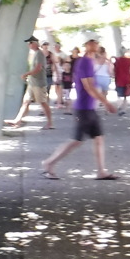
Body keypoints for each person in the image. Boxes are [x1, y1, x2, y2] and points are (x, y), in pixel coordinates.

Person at [41, 37, 117, 179]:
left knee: (98, 138)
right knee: (76, 140)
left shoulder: (89, 62)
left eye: (96, 42)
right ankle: (49, 163)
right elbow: (88, 87)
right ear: (86, 46)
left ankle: (101, 171)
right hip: (83, 108)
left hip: (90, 108)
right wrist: (106, 102)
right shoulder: (85, 63)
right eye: (91, 42)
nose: (95, 44)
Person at [6, 36, 54, 130]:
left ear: (36, 43)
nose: (29, 45)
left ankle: (50, 123)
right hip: (32, 82)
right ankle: (17, 120)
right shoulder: (36, 53)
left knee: (43, 102)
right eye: (29, 43)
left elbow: (38, 68)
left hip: (39, 83)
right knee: (26, 101)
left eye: (30, 43)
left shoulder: (39, 54)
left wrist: (26, 74)